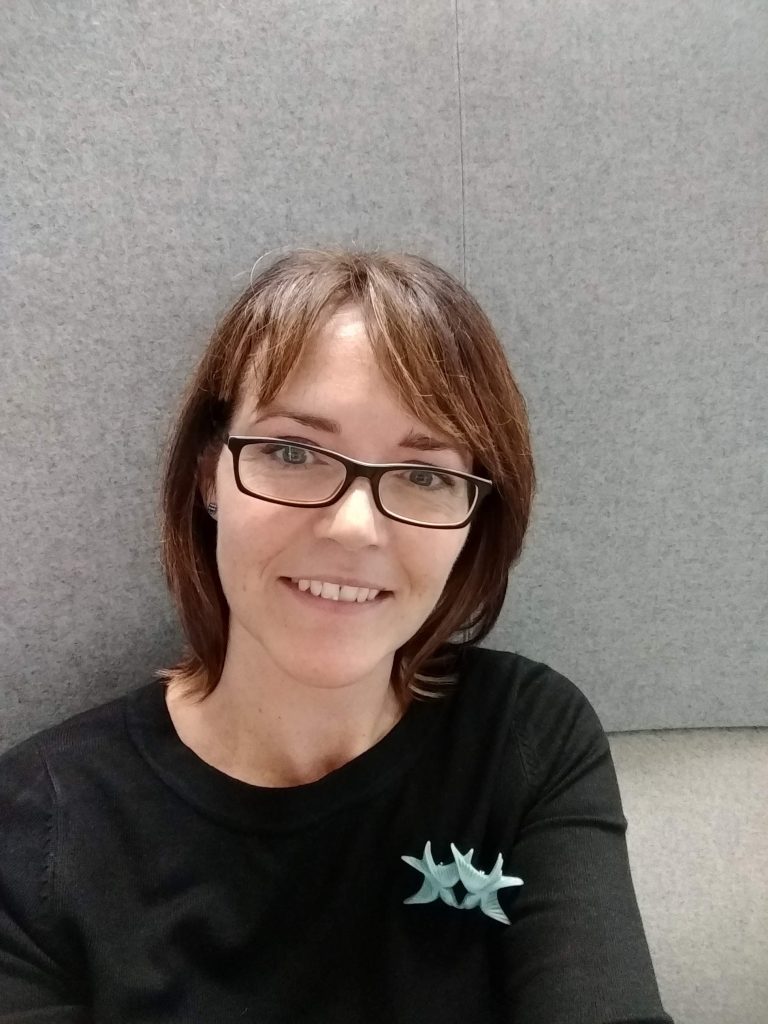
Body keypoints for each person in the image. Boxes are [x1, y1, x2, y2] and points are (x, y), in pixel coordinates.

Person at [0, 248, 674, 1022]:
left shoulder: (523, 739)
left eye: (425, 475)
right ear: (207, 474)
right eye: (293, 452)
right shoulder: (36, 829)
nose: (355, 527)